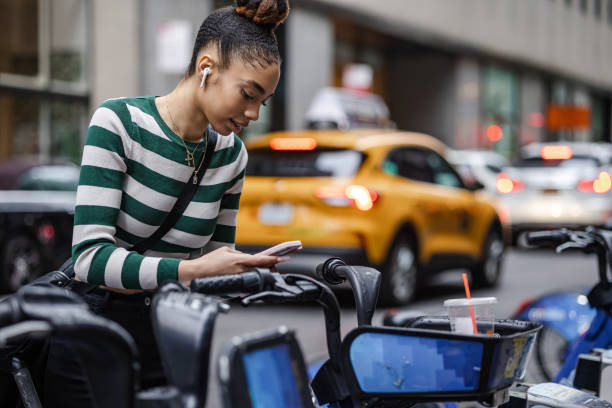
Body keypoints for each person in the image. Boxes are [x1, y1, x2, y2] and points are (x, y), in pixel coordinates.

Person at [43, 0, 290, 405]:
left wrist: (245, 271)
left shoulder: (232, 155)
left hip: (174, 331)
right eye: (248, 94)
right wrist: (191, 270)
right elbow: (90, 257)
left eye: (263, 101)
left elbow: (214, 260)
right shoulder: (118, 124)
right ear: (206, 67)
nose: (254, 113)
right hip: (94, 330)